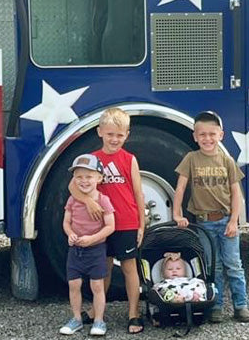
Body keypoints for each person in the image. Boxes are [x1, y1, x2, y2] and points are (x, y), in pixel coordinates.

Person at [68, 108, 146, 334]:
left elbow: (138, 193)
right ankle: (95, 312)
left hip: (127, 222)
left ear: (127, 135)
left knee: (130, 268)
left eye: (119, 135)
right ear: (100, 132)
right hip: (100, 225)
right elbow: (72, 185)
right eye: (110, 134)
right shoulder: (92, 160)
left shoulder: (129, 159)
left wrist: (141, 223)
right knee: (104, 268)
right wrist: (88, 201)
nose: (114, 139)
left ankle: (134, 312)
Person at [172, 111, 249, 323]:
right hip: (205, 222)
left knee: (234, 264)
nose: (207, 139)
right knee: (213, 266)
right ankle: (216, 306)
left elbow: (236, 193)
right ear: (195, 137)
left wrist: (234, 220)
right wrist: (176, 213)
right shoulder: (190, 159)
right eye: (202, 135)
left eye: (212, 134)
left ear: (221, 135)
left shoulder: (227, 161)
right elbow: (180, 188)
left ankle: (241, 305)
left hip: (226, 220)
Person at [60, 154, 115, 336]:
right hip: (75, 250)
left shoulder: (103, 200)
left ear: (99, 178)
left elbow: (110, 226)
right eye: (79, 177)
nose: (84, 181)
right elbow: (66, 222)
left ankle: (99, 320)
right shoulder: (72, 200)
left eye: (89, 177)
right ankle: (76, 318)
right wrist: (70, 234)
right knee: (74, 284)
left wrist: (92, 239)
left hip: (96, 250)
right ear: (73, 179)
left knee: (97, 286)